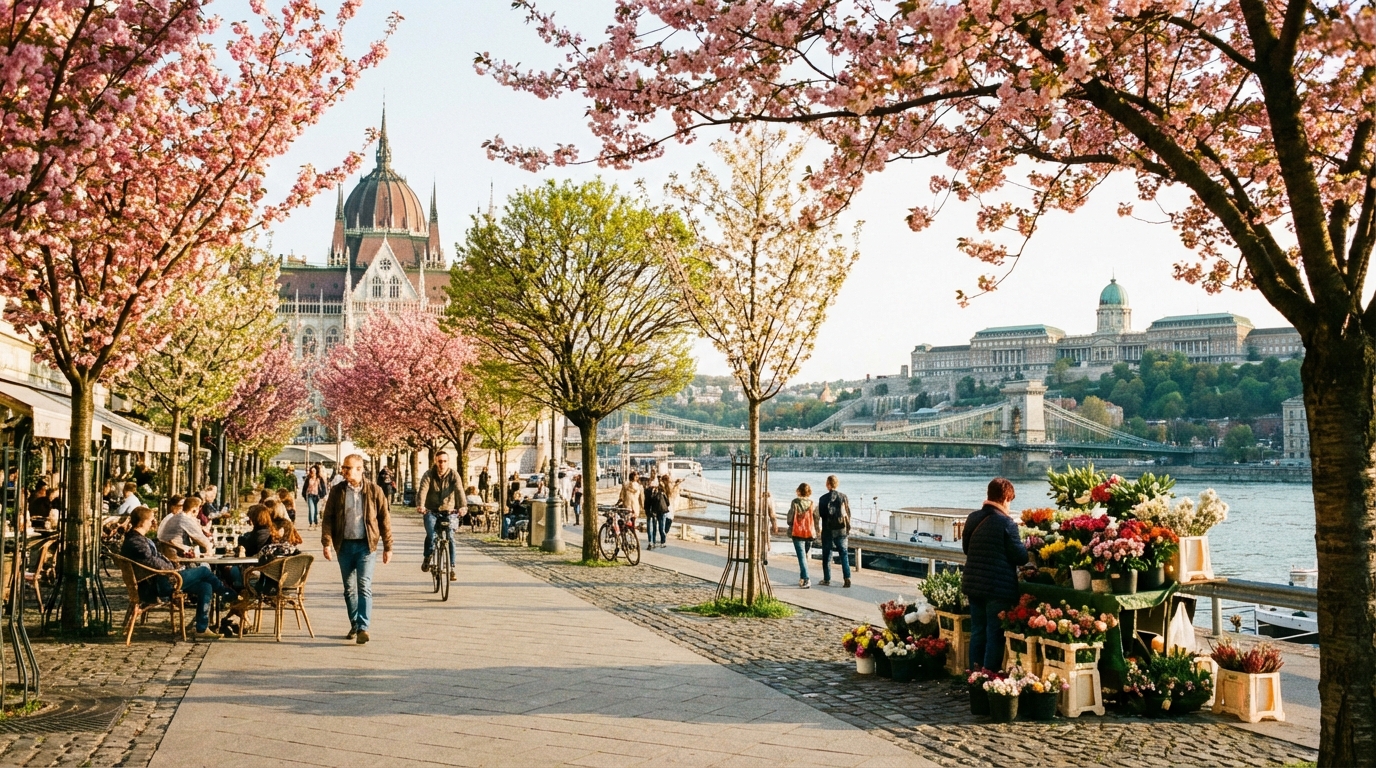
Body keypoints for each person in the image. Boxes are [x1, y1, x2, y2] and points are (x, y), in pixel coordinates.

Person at [122, 505, 238, 640]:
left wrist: (172, 566)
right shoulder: (136, 542)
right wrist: (173, 568)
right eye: (151, 520)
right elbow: (153, 562)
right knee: (204, 571)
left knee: (205, 586)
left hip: (160, 580)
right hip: (157, 585)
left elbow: (155, 560)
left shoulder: (137, 539)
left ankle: (201, 629)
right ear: (142, 522)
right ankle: (228, 594)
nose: (153, 523)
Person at [320, 453, 392, 644]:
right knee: (349, 589)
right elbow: (328, 518)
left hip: (366, 546)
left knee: (364, 586)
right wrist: (326, 542)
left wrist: (388, 546)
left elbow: (384, 519)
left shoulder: (375, 491)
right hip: (344, 545)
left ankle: (363, 627)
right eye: (343, 467)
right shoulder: (337, 491)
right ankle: (354, 622)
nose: (343, 471)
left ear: (360, 469)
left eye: (347, 467)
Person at [962, 477, 1028, 672]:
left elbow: (967, 549)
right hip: (998, 589)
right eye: (1010, 500)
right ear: (1006, 498)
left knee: (977, 632)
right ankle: (989, 678)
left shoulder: (973, 518)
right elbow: (1020, 556)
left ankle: (974, 675)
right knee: (995, 635)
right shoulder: (1007, 523)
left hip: (974, 586)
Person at [417, 452, 460, 577]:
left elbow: (459, 490)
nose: (442, 464)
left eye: (444, 461)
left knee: (450, 537)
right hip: (431, 510)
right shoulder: (429, 474)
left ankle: (452, 567)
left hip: (449, 510)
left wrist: (462, 506)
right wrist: (421, 505)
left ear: (448, 461)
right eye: (439, 461)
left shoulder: (453, 474)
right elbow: (423, 490)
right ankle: (427, 556)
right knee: (431, 534)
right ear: (435, 461)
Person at [816, 475, 853, 587]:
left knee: (827, 554)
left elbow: (821, 514)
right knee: (844, 553)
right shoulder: (843, 497)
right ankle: (847, 578)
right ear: (837, 484)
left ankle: (827, 579)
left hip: (827, 529)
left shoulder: (822, 498)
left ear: (828, 484)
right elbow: (848, 513)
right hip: (841, 529)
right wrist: (847, 527)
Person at [788, 483, 819, 588]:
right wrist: (817, 530)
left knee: (802, 557)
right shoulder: (812, 503)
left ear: (799, 491)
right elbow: (816, 518)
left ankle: (806, 579)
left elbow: (790, 518)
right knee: (804, 556)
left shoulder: (795, 502)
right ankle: (802, 579)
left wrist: (791, 523)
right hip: (809, 533)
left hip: (798, 533)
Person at [644, 478, 668, 550]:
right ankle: (652, 542)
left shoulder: (657, 492)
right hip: (651, 511)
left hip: (652, 511)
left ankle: (652, 542)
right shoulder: (650, 492)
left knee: (653, 527)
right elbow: (649, 501)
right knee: (652, 527)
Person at [302, 465, 325, 530]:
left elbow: (323, 488)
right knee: (311, 509)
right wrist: (304, 495)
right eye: (311, 471)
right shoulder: (308, 479)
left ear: (316, 471)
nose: (312, 472)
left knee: (316, 510)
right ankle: (311, 523)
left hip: (317, 496)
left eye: (314, 471)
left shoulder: (319, 479)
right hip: (310, 495)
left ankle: (316, 522)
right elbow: (304, 488)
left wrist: (322, 495)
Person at [760, 489, 778, 566]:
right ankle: (764, 557)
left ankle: (757, 555)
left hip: (756, 522)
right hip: (765, 522)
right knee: (765, 539)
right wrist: (774, 525)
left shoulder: (756, 500)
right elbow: (772, 514)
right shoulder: (769, 501)